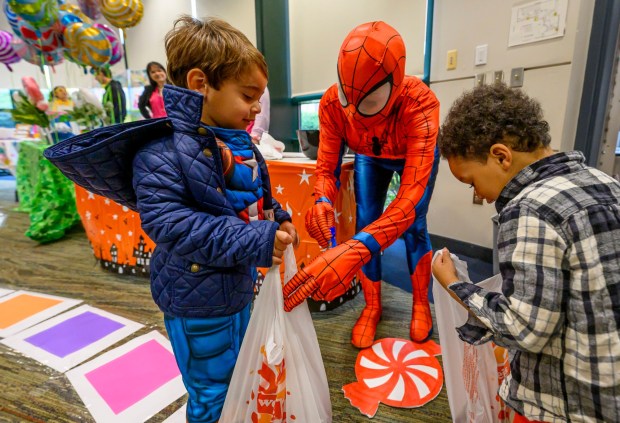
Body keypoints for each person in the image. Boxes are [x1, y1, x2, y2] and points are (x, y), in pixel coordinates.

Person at [431, 83, 620, 422]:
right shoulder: (605, 182)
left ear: (501, 156)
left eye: (472, 182)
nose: (481, 196)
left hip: (568, 401)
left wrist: (454, 284)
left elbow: (523, 329)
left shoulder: (530, 210)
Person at [282, 21, 440, 349]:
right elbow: (326, 169)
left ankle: (421, 303)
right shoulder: (331, 104)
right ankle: (372, 305)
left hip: (412, 157)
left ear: (394, 86)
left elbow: (410, 199)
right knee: (365, 221)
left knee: (415, 226)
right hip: (371, 156)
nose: (353, 113)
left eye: (367, 103)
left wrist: (355, 250)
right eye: (346, 96)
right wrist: (322, 201)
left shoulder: (420, 103)